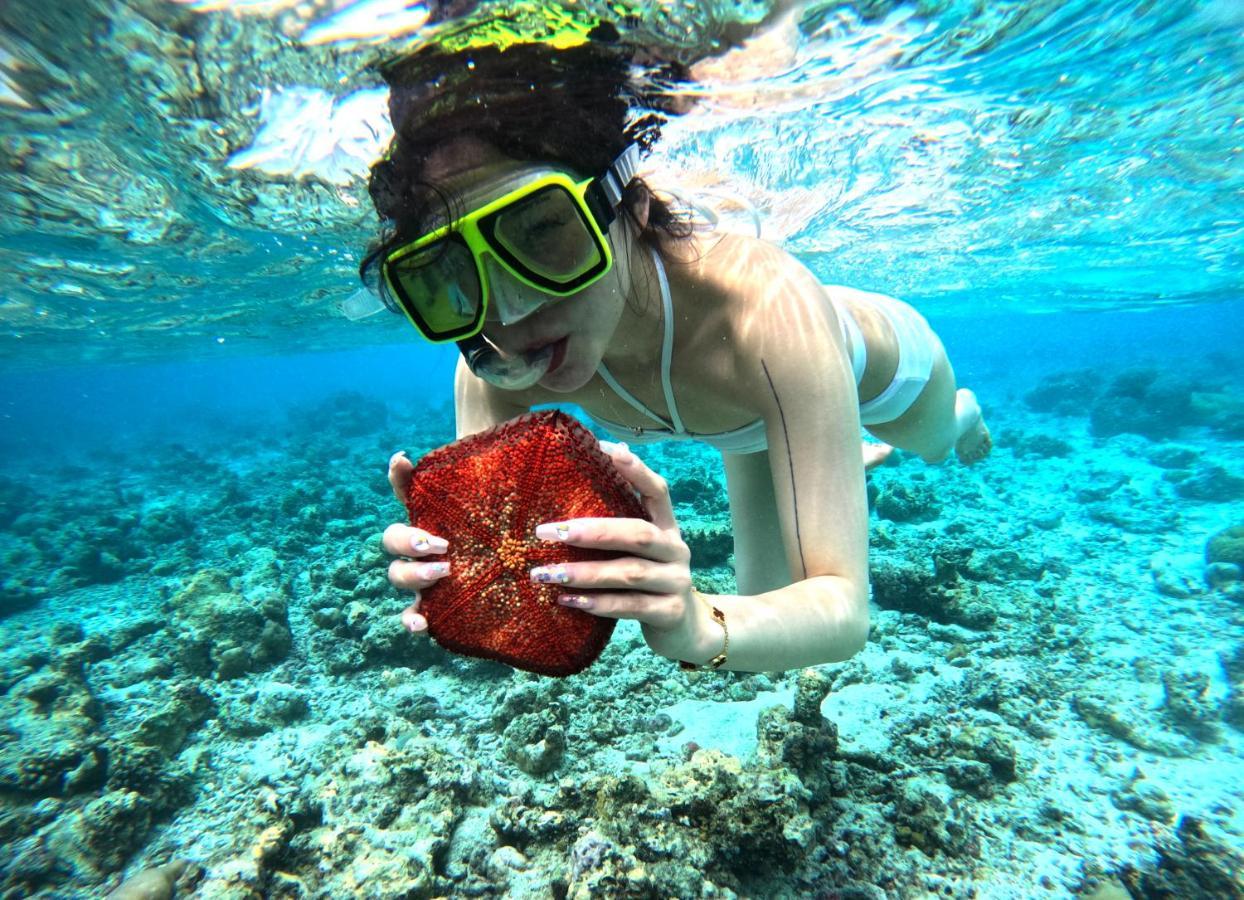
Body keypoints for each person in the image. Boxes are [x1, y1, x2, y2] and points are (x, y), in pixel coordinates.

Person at [364, 33, 991, 674]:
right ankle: (823, 453)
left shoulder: (766, 317)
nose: (514, 311)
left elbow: (842, 610)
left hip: (869, 371)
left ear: (631, 208)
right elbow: (510, 565)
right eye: (451, 274)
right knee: (767, 645)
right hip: (746, 410)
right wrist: (457, 574)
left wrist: (694, 624)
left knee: (935, 441)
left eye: (544, 233)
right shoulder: (495, 367)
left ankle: (941, 421)